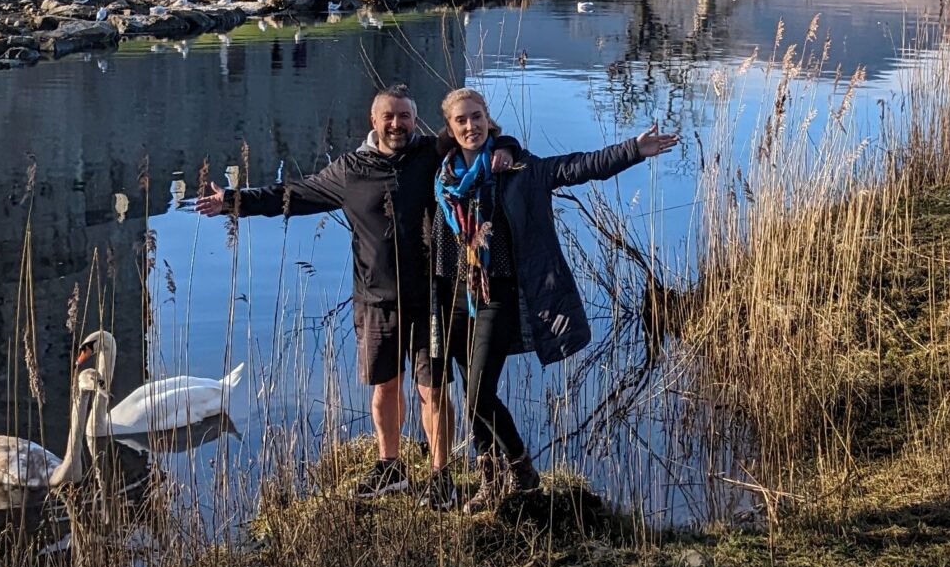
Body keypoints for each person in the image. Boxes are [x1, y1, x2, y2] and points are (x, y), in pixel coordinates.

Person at [193, 86, 455, 502]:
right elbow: (292, 195)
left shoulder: (433, 154)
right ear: (373, 120)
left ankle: (442, 477)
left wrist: (508, 151)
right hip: (375, 299)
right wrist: (233, 201)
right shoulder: (351, 170)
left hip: (430, 300)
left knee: (433, 389)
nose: (397, 124)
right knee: (385, 387)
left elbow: (482, 133)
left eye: (404, 116)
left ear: (415, 119)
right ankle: (391, 467)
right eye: (389, 115)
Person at [427, 87, 679, 507]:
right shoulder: (441, 178)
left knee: (478, 395)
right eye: (461, 121)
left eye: (477, 117)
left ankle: (522, 467)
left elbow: (579, 167)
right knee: (473, 402)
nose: (470, 126)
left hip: (497, 297)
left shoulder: (520, 168)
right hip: (452, 297)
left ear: (488, 119)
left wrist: (634, 149)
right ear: (450, 129)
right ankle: (490, 482)